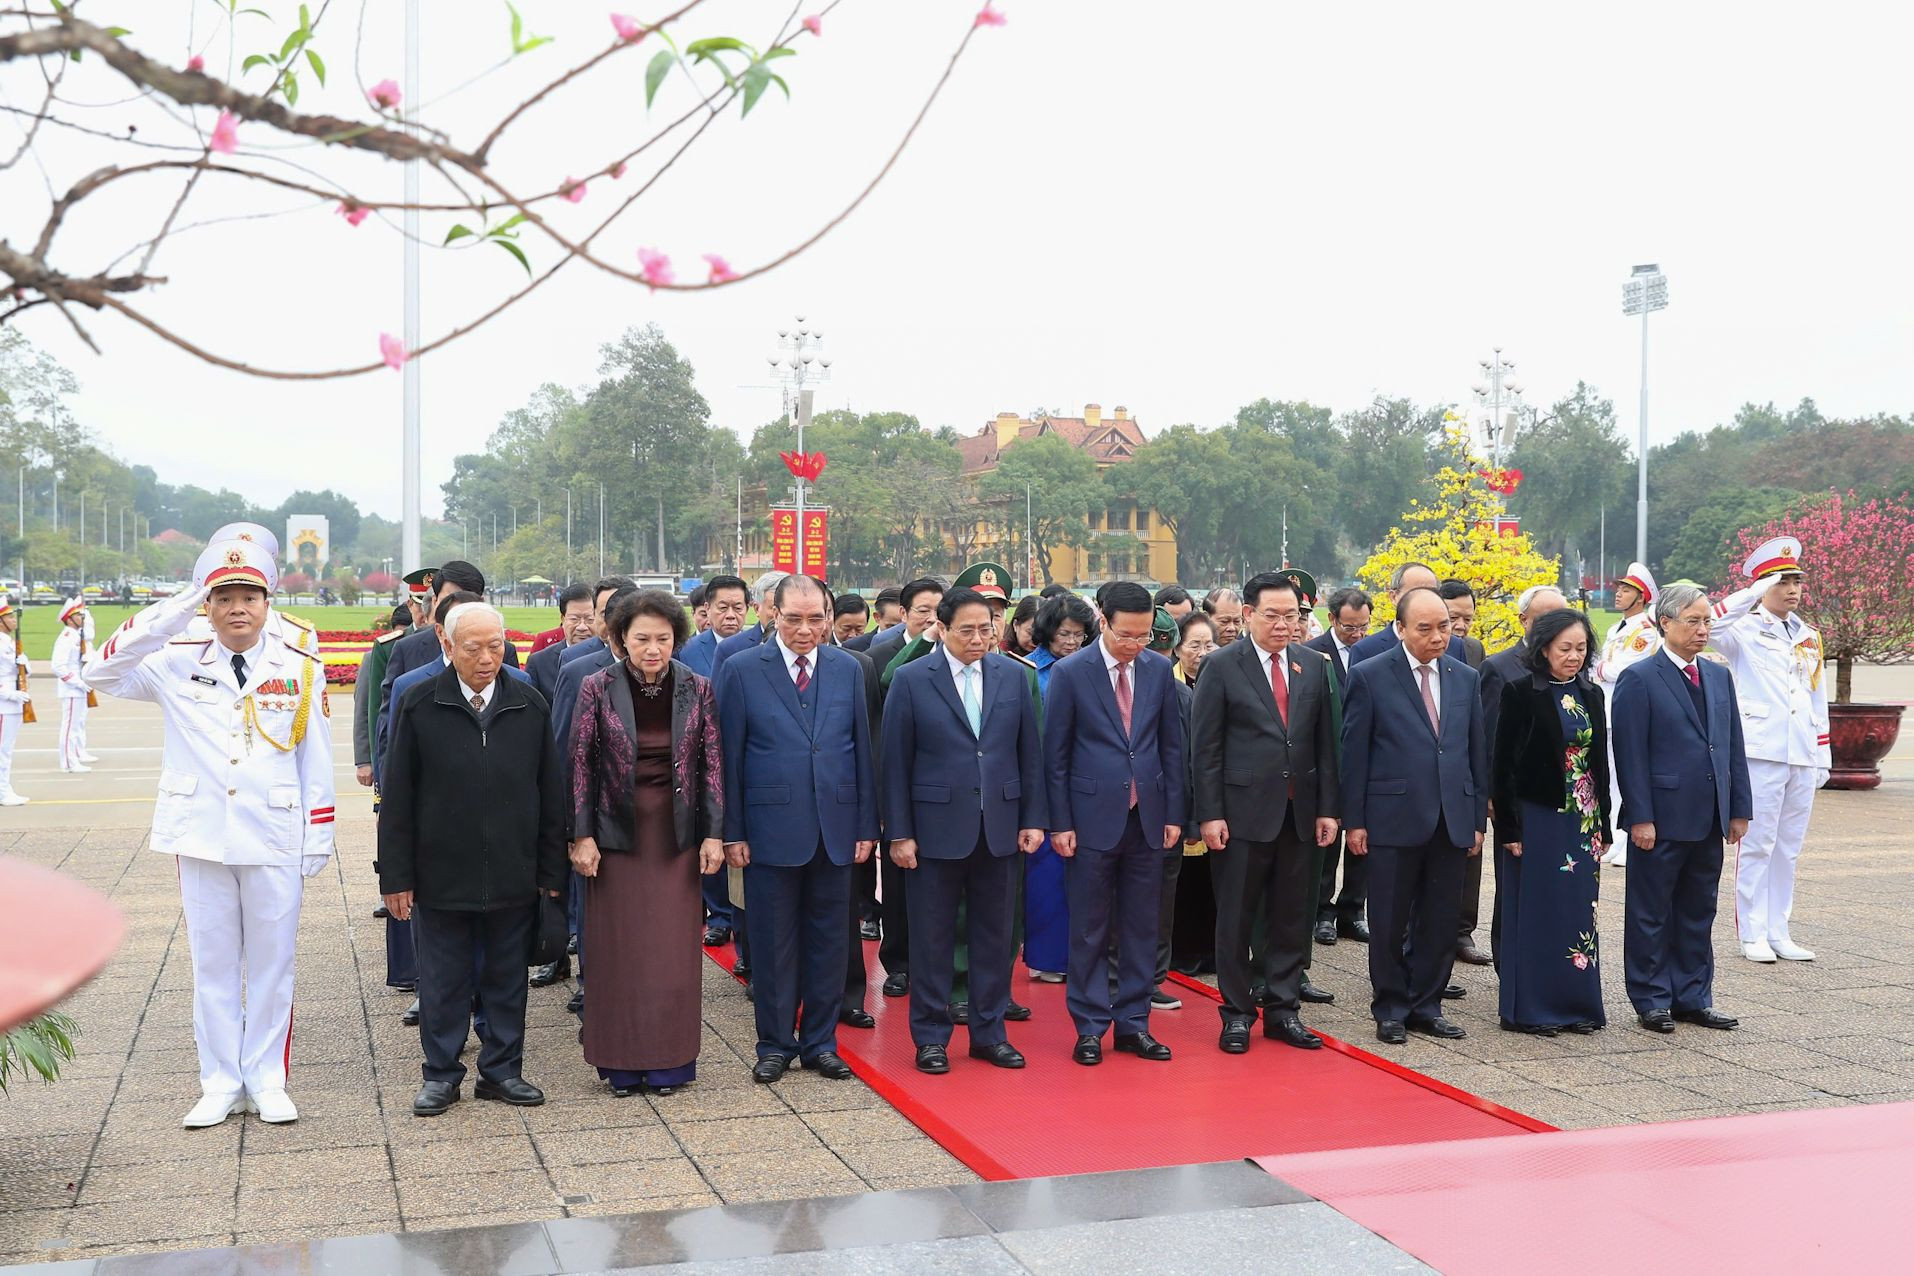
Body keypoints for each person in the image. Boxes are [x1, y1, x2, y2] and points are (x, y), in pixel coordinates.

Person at [84, 540, 334, 1127]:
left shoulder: (297, 662)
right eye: (223, 597)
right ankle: (220, 1080)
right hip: (200, 833)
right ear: (207, 604)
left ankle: (268, 1078)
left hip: (274, 832)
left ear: (268, 602)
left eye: (249, 596)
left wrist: (318, 832)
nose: (237, 608)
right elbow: (101, 671)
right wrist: (174, 611)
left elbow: (315, 755)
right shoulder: (176, 658)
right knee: (213, 965)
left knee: (274, 963)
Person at [379, 603, 567, 1115]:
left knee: (507, 980)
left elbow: (551, 793)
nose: (487, 659)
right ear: (447, 646)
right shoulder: (420, 703)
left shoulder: (529, 702)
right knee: (443, 982)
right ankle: (440, 1075)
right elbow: (397, 799)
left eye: (496, 646)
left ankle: (503, 1071)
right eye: (473, 648)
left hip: (513, 870)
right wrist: (395, 877)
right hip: (441, 874)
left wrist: (551, 874)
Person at [715, 575, 879, 1083]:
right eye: (793, 619)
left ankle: (821, 1043)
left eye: (815, 619)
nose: (805, 630)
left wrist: (865, 824)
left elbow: (861, 750)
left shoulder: (849, 668)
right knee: (771, 944)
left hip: (836, 829)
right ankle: (774, 1043)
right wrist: (732, 831)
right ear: (772, 615)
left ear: (828, 618)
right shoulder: (742, 669)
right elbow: (728, 756)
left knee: (831, 943)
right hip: (767, 831)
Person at [882, 586, 1047, 1073]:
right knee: (931, 938)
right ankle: (931, 1036)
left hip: (999, 825)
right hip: (933, 829)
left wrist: (1033, 818)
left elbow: (1028, 755)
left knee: (995, 937)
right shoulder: (912, 679)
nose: (979, 638)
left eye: (987, 628)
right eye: (968, 630)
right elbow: (894, 762)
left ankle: (988, 1032)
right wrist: (900, 832)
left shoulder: (1013, 676)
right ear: (943, 628)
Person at [568, 589, 725, 1095]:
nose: (652, 648)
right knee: (617, 950)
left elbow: (712, 767)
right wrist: (582, 835)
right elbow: (580, 765)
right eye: (641, 639)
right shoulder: (597, 686)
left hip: (675, 834)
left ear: (677, 638)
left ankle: (670, 1061)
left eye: (662, 638)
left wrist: (714, 835)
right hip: (616, 833)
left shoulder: (697, 687)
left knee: (670, 951)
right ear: (620, 639)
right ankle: (620, 1061)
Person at [1192, 573, 1340, 1053]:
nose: (1283, 625)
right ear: (1249, 614)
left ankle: (1282, 1009)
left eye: (1292, 616)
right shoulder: (1222, 666)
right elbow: (1206, 748)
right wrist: (1210, 813)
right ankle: (1236, 1013)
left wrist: (1328, 810)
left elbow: (1324, 745)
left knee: (1291, 916)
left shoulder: (1313, 666)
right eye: (1272, 615)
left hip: (1300, 812)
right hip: (1240, 814)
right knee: (1235, 917)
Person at [1043, 581, 1185, 1066]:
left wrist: (1173, 815)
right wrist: (1059, 822)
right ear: (1102, 622)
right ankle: (1088, 1025)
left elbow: (1171, 747)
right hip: (1088, 820)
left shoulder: (1159, 669)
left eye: (1144, 635)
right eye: (1127, 635)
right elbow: (1055, 756)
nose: (1136, 645)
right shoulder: (1070, 673)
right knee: (1089, 928)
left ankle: (1133, 1023)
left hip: (1146, 817)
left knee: (1142, 925)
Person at [1341, 587, 1487, 1045]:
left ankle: (1427, 1004)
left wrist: (1478, 815)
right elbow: (1354, 753)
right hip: (1391, 817)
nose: (1438, 636)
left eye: (1444, 626)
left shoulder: (1464, 677)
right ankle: (1390, 1007)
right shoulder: (1369, 675)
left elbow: (1475, 751)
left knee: (1441, 917)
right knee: (1387, 917)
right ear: (1400, 628)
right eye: (1425, 628)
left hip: (1451, 815)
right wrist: (1355, 820)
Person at [1611, 584, 1752, 1034]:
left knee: (1698, 910)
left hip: (1709, 814)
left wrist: (1738, 808)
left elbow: (1732, 747)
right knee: (1651, 912)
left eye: (1707, 620)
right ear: (1664, 623)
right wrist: (1640, 816)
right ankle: (1651, 997)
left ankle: (1693, 996)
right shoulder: (1640, 678)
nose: (1702, 629)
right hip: (1662, 816)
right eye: (1692, 620)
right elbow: (1629, 755)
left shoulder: (1716, 675)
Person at [1490, 608, 1611, 1036]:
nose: (1574, 656)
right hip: (1538, 818)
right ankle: (1532, 1009)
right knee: (1537, 909)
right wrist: (1509, 828)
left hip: (1582, 818)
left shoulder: (1591, 694)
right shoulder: (1521, 693)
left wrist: (1604, 822)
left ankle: (1575, 1003)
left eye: (1581, 648)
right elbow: (1502, 766)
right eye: (1565, 648)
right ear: (1543, 649)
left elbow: (1599, 764)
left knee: (1579, 911)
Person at [1709, 536, 1829, 964]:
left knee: (1788, 847)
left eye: (1796, 580)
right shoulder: (1743, 629)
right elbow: (1711, 623)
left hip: (1801, 750)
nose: (1793, 589)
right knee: (1756, 844)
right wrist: (1751, 594)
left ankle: (1780, 928)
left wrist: (1823, 755)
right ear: (1763, 587)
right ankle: (1752, 931)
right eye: (1782, 582)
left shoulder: (1809, 635)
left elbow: (1817, 695)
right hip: (1760, 751)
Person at [1473, 584, 1567, 966]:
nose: (1554, 626)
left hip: (1564, 798)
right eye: (1545, 618)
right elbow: (1491, 738)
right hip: (1519, 798)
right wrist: (1494, 796)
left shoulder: (1570, 666)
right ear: (1523, 621)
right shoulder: (1500, 668)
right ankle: (1510, 963)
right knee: (1516, 884)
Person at [864, 576, 945, 996]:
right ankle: (898, 962)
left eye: (938, 610)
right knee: (897, 880)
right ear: (904, 614)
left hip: (944, 789)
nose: (932, 618)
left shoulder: (960, 652)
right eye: (922, 612)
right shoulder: (881, 656)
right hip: (897, 783)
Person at [1024, 592, 1096, 984]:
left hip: (1085, 778)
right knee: (1047, 873)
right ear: (1047, 632)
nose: (1071, 643)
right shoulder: (1028, 671)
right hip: (1042, 780)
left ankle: (1084, 953)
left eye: (1080, 636)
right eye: (1065, 634)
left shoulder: (1089, 667)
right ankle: (1047, 956)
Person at [1309, 586, 1370, 947]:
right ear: (1332, 620)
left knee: (1362, 840)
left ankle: (1353, 910)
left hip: (1363, 762)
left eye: (1363, 626)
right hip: (1328, 760)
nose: (1358, 634)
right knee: (1327, 841)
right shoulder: (1313, 654)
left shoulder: (1377, 652)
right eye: (1350, 627)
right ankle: (1322, 911)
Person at [1593, 563, 1660, 867]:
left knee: (1623, 776)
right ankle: (1613, 838)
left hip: (1625, 708)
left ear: (1642, 597)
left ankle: (1623, 839)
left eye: (1627, 590)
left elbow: (1620, 669)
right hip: (1605, 706)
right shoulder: (1615, 628)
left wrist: (1599, 670)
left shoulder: (1644, 632)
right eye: (1619, 588)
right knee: (1608, 776)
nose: (1618, 594)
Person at [1165, 611, 1218, 981]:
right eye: (1194, 644)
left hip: (1215, 792)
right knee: (1182, 882)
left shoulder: (1223, 679)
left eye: (1208, 644)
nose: (1202, 652)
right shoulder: (1168, 685)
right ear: (1178, 649)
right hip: (1181, 791)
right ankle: (1181, 951)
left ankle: (1211, 950)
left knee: (1213, 882)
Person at [1346, 563, 1470, 667]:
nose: (1424, 599)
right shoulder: (1366, 650)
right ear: (1393, 597)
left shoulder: (1454, 646)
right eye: (1415, 592)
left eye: (1431, 593)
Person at [710, 571, 788, 679]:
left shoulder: (809, 646)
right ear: (756, 608)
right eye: (774, 608)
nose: (782, 615)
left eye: (788, 608)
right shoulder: (729, 649)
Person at [527, 583, 596, 702]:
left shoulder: (611, 659)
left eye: (589, 619)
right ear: (563, 619)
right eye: (574, 619)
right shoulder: (539, 662)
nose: (582, 627)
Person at [679, 574, 750, 677]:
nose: (730, 615)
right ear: (708, 608)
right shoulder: (686, 651)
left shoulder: (760, 647)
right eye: (723, 607)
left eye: (738, 608)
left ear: (747, 609)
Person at [52, 597, 93, 772]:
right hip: (72, 688)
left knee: (76, 726)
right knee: (69, 727)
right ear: (69, 619)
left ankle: (75, 756)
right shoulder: (68, 636)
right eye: (77, 615)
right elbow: (58, 665)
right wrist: (77, 682)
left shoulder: (76, 635)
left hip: (78, 687)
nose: (81, 617)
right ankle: (68, 763)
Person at [0, 596, 32, 804]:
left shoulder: (10, 642)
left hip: (13, 702)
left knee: (7, 750)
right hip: (4, 702)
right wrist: (8, 694)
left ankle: (5, 787)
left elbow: (22, 672)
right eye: (9, 617)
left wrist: (24, 664)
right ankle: (2, 792)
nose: (14, 620)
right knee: (2, 751)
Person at [1439, 579, 1487, 669]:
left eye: (1467, 619)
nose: (1461, 626)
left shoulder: (1476, 649)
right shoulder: (1419, 647)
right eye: (1453, 618)